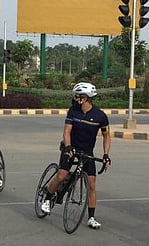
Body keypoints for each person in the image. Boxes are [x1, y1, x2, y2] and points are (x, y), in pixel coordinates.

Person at [39, 82, 112, 229]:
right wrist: (68, 147)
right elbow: (67, 131)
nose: (76, 98)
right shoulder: (73, 111)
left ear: (87, 97)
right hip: (71, 148)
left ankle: (91, 218)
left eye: (79, 95)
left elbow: (106, 136)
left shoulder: (100, 116)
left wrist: (106, 155)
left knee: (91, 185)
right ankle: (47, 197)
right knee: (61, 175)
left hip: (87, 152)